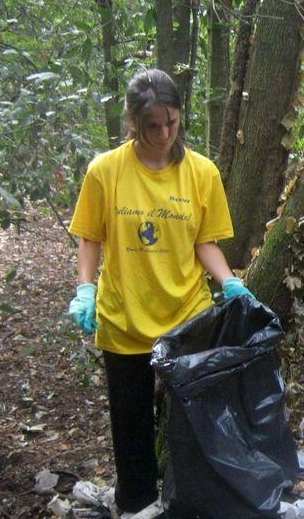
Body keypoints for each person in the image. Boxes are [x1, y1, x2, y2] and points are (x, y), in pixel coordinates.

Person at [65, 68, 254, 516]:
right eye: (154, 125)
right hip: (124, 316)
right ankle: (137, 505)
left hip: (187, 317)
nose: (165, 133)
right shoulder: (105, 171)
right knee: (130, 428)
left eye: (172, 122)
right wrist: (85, 290)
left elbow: (204, 241)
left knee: (191, 425)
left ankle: (187, 502)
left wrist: (228, 281)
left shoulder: (201, 173)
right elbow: (90, 236)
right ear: (133, 122)